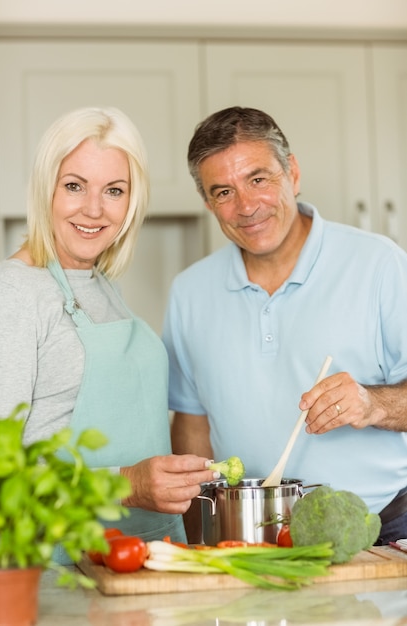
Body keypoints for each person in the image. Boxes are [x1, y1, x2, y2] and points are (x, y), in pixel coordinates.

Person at [162, 105, 407, 545]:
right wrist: (199, 540)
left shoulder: (380, 264)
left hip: (384, 526)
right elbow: (192, 425)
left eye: (259, 179)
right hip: (249, 537)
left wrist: (373, 404)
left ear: (292, 173)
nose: (246, 206)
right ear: (208, 203)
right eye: (224, 192)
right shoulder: (188, 292)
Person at [0, 106, 218, 558]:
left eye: (114, 190)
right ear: (45, 189)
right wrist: (127, 485)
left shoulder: (103, 285)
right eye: (74, 186)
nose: (93, 209)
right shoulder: (13, 292)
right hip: (64, 567)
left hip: (151, 553)